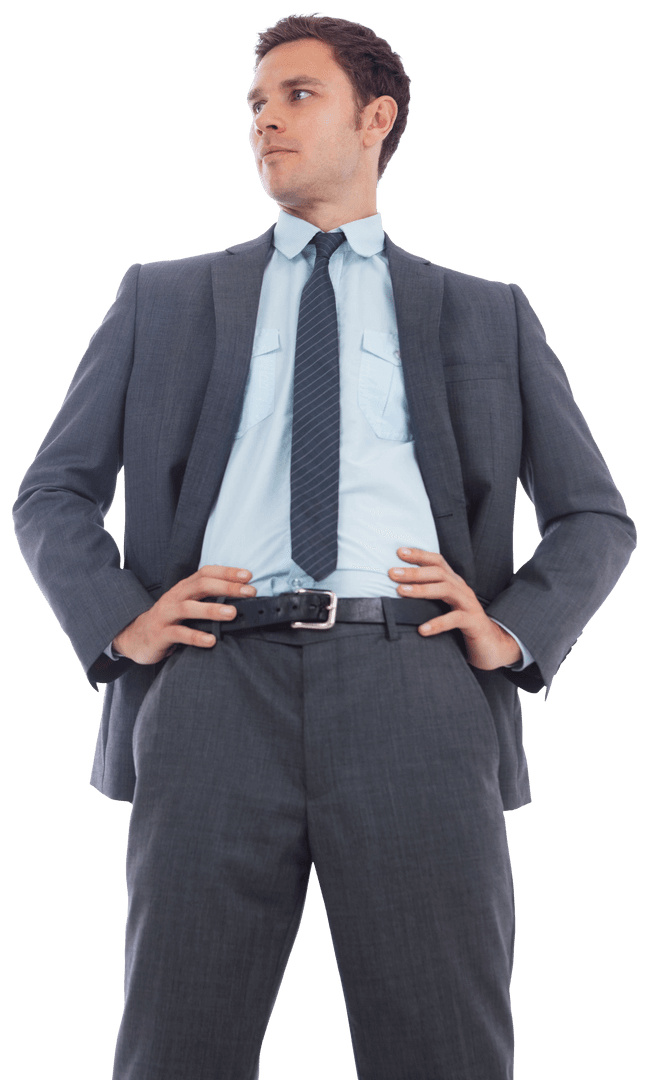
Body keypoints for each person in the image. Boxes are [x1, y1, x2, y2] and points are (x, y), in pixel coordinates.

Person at [12, 12, 636, 1080]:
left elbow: (595, 515)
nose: (264, 121)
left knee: (445, 1047)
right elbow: (51, 490)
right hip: (210, 686)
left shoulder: (488, 312)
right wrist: (124, 617)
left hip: (419, 690)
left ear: (375, 118)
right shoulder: (159, 297)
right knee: (175, 1045)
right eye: (254, 104)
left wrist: (510, 631)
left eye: (296, 96)